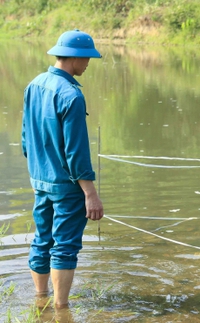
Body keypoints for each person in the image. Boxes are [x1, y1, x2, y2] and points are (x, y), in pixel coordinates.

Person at [21, 29, 104, 309]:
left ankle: (40, 298)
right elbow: (76, 152)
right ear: (75, 58)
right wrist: (90, 194)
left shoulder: (34, 84)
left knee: (42, 239)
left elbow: (25, 139)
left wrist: (36, 172)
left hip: (40, 179)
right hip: (67, 185)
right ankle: (61, 308)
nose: (89, 63)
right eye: (87, 58)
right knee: (65, 246)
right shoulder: (72, 95)